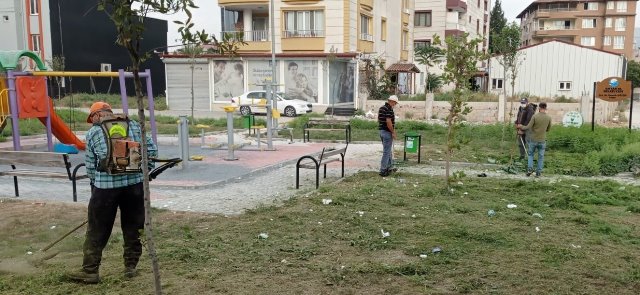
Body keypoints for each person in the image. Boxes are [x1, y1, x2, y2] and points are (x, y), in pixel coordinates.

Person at [67, 102, 157, 284]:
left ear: (97, 115)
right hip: (134, 186)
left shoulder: (93, 132)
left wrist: (95, 186)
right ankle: (131, 267)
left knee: (97, 229)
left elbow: (91, 166)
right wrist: (144, 173)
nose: (92, 122)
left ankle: (90, 271)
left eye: (91, 117)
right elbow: (151, 152)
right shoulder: (134, 125)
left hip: (105, 190)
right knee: (133, 226)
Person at [519, 102, 551, 177]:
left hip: (533, 140)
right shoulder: (549, 118)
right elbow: (548, 129)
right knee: (541, 157)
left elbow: (528, 127)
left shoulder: (535, 116)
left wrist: (521, 126)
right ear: (546, 108)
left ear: (539, 108)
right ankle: (538, 172)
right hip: (542, 140)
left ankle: (530, 169)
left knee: (530, 155)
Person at [378, 95, 399, 177]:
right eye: (395, 103)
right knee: (386, 152)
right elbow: (388, 121)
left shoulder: (382, 108)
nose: (395, 104)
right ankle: (383, 170)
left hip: (382, 131)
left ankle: (389, 167)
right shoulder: (389, 109)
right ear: (392, 101)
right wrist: (393, 132)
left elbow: (379, 119)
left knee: (388, 150)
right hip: (387, 132)